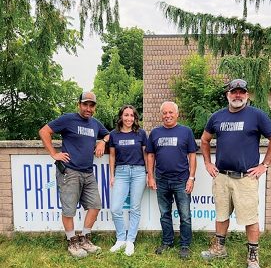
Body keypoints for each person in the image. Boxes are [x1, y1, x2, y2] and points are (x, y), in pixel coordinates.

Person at [200, 79, 271, 268]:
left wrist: (265, 165)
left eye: (241, 92)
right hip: (222, 177)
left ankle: (253, 257)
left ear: (247, 95)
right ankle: (219, 249)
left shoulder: (257, 115)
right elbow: (204, 140)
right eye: (234, 92)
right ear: (228, 94)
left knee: (250, 219)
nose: (238, 95)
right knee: (221, 215)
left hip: (245, 179)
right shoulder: (217, 117)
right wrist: (208, 164)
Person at [39, 91, 110, 258]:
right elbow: (44, 131)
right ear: (79, 105)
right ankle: (72, 242)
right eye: (85, 104)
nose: (88, 108)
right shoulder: (68, 119)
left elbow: (108, 134)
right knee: (69, 209)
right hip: (69, 171)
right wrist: (54, 154)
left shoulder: (95, 124)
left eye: (91, 105)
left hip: (87, 172)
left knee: (95, 205)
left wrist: (102, 141)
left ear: (94, 108)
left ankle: (84, 239)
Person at [146, 101, 198, 259]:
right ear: (161, 114)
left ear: (177, 114)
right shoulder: (155, 133)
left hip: (181, 180)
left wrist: (191, 178)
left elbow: (192, 155)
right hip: (161, 180)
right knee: (165, 214)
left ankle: (185, 245)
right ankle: (167, 242)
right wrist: (150, 176)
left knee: (185, 215)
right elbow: (150, 155)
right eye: (164, 113)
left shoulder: (186, 131)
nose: (167, 115)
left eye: (171, 112)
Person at [109, 105, 148, 256]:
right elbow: (112, 156)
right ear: (121, 117)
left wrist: (148, 174)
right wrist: (112, 175)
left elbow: (146, 155)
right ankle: (120, 239)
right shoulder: (114, 135)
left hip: (139, 172)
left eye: (132, 116)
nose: (129, 118)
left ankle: (130, 241)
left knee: (134, 209)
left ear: (135, 118)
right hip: (121, 173)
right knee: (115, 208)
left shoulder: (141, 134)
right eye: (126, 115)